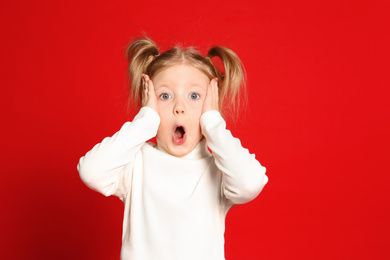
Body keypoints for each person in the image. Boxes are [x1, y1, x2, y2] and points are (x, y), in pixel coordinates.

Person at [77, 36, 268, 260]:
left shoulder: (219, 170)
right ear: (149, 103)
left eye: (194, 96)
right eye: (165, 96)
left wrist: (213, 125)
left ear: (211, 107)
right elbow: (92, 172)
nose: (179, 107)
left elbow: (250, 183)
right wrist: (144, 122)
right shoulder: (137, 164)